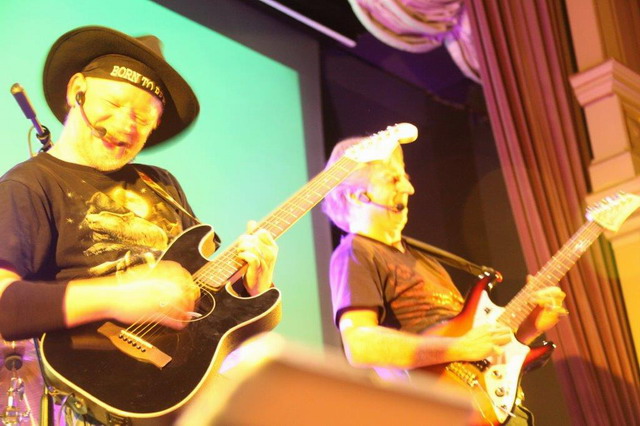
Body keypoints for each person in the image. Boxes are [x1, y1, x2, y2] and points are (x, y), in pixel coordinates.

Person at [0, 26, 278, 423]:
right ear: (77, 90)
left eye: (144, 118)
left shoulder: (161, 183)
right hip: (91, 398)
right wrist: (118, 295)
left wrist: (248, 286)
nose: (127, 124)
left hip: (182, 389)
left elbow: (204, 301)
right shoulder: (29, 184)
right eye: (113, 103)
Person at [322, 137, 567, 424]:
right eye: (393, 179)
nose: (409, 188)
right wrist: (459, 347)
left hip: (486, 408)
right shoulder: (355, 252)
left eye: (406, 177)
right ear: (356, 196)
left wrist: (528, 327)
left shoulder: (426, 260)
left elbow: (476, 352)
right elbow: (360, 345)